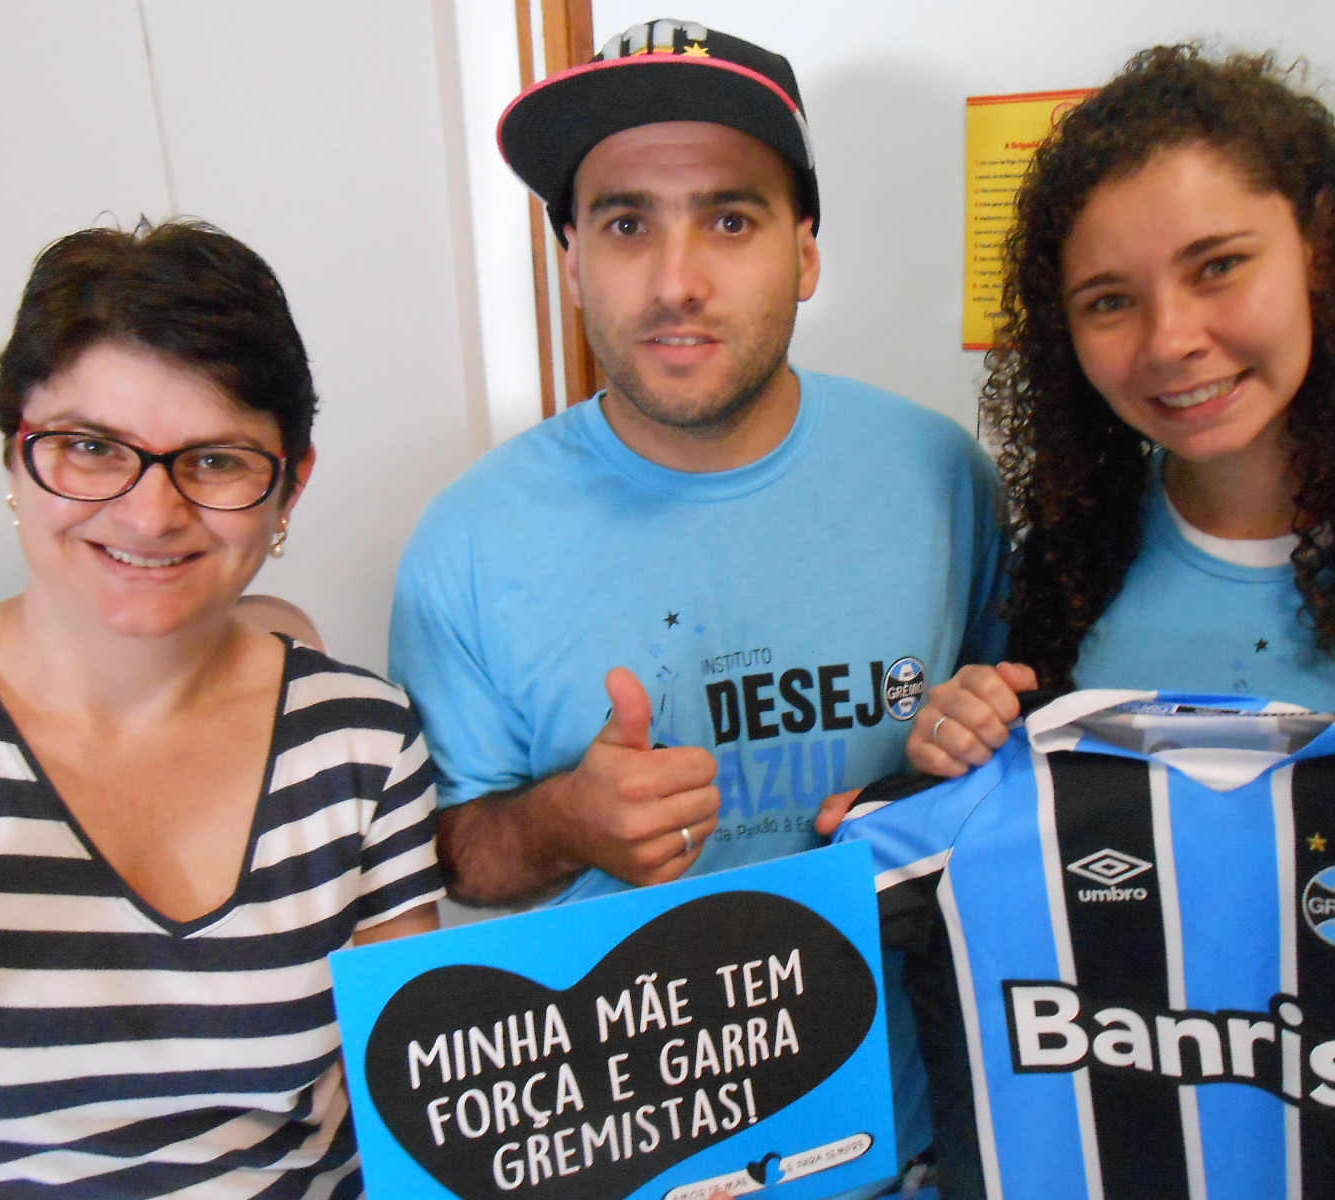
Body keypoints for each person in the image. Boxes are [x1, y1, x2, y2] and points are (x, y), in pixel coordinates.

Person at [389, 15, 1003, 1184]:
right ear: (570, 260)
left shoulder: (940, 479)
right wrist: (566, 821)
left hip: (907, 1142)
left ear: (806, 251)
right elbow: (443, 857)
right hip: (621, 1157)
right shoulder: (468, 542)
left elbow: (1001, 765)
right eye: (625, 224)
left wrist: (969, 742)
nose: (677, 281)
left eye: (731, 218)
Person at [0, 220, 443, 1197]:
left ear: (288, 487)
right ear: (15, 449)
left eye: (214, 461)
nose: (149, 514)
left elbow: (417, 1103)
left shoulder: (362, 743)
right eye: (91, 447)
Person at [909, 43, 1335, 772]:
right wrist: (952, 742)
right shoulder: (1061, 566)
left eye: (1219, 267)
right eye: (1110, 302)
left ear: (1320, 248)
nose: (1171, 340)